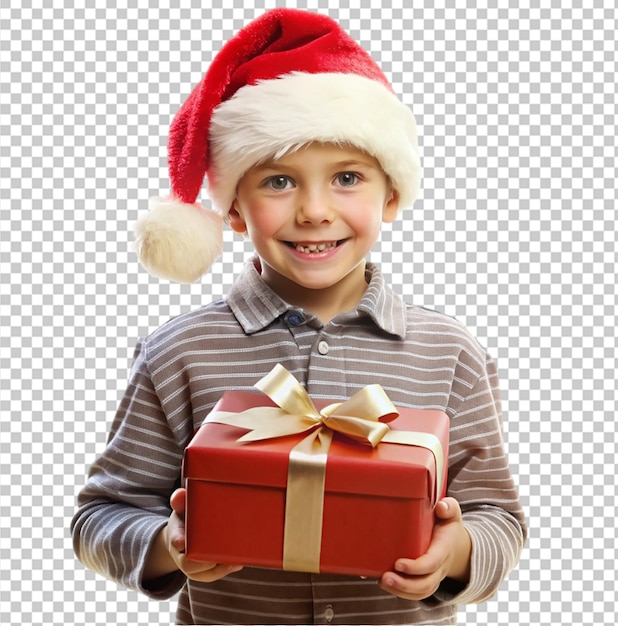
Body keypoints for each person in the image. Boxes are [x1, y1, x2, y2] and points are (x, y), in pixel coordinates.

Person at [71, 8, 526, 625]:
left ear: (390, 195)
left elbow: (498, 517)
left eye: (346, 178)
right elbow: (101, 515)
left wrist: (457, 553)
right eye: (279, 181)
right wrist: (169, 545)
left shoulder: (449, 352)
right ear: (234, 210)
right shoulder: (179, 352)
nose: (314, 211)